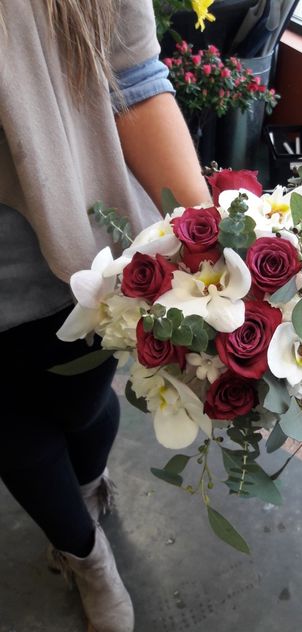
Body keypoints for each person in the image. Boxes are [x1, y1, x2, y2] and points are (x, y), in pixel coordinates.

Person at [0, 1, 212, 630]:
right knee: (13, 438)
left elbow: (136, 81)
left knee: (81, 406)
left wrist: (215, 244)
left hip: (76, 239)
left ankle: (89, 490)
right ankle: (87, 558)